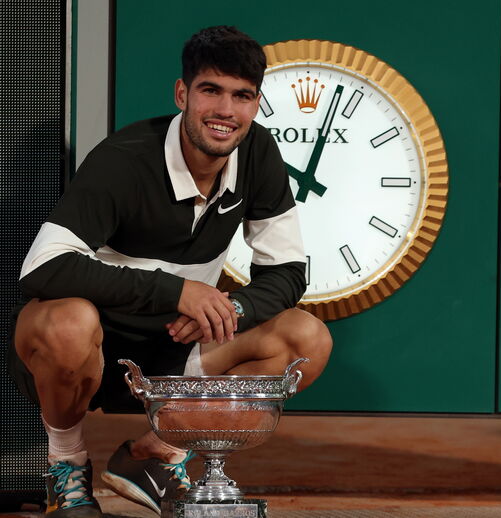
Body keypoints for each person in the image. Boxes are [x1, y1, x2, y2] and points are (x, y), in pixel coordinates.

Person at [7, 26, 332, 517]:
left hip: (180, 348)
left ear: (256, 104)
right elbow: (41, 268)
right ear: (183, 94)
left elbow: (287, 271)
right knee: (65, 322)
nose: (226, 111)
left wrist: (233, 309)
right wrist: (175, 291)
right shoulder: (123, 160)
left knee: (306, 341)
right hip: (94, 345)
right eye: (211, 91)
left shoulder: (258, 153)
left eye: (241, 96)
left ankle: (157, 454)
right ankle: (67, 467)